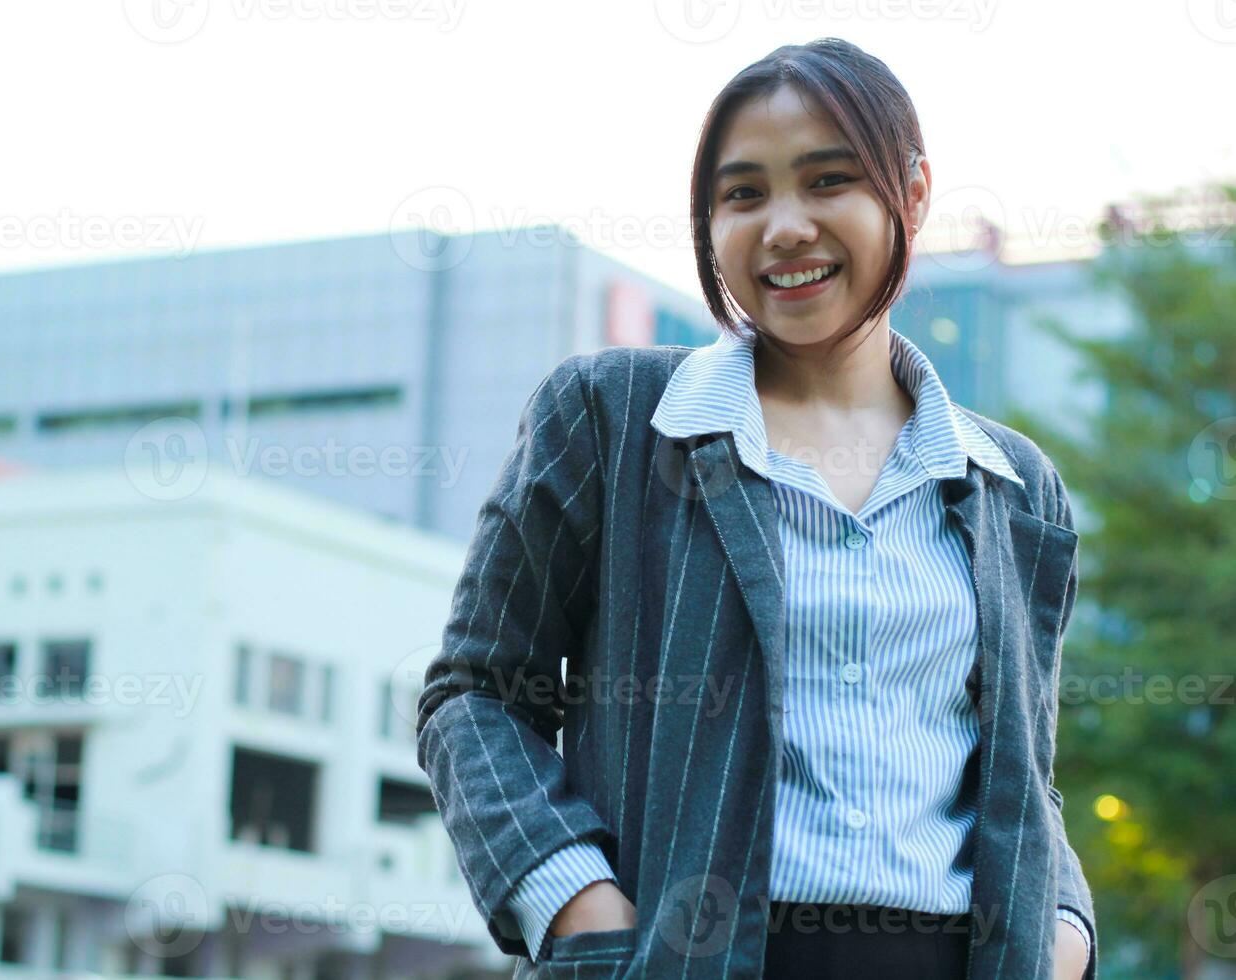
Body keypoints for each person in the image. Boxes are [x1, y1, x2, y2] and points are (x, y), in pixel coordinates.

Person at [416, 37, 1096, 979]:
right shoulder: (613, 421)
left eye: (827, 181)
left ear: (913, 192)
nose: (784, 226)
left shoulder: (1016, 484)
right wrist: (579, 906)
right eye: (743, 194)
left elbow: (1025, 778)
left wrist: (1062, 931)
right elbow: (476, 694)